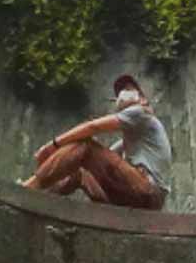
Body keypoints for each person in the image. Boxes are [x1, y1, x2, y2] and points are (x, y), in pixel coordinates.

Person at [19, 73, 171, 210]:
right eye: (119, 93)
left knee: (85, 145)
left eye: (128, 89)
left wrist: (52, 146)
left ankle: (30, 187)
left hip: (149, 193)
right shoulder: (130, 140)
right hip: (133, 197)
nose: (123, 94)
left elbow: (92, 127)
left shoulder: (142, 113)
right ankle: (44, 198)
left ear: (143, 99)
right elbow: (105, 163)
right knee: (80, 173)